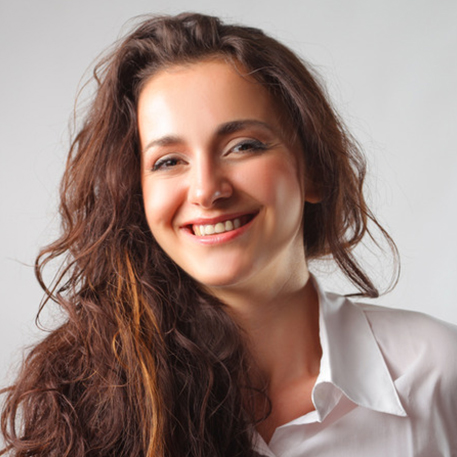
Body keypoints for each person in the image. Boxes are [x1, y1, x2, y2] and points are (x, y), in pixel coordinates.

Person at [1, 12, 456, 457]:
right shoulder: (80, 405)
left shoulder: (439, 372)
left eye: (243, 146)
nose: (206, 190)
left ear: (314, 169)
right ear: (136, 196)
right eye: (168, 161)